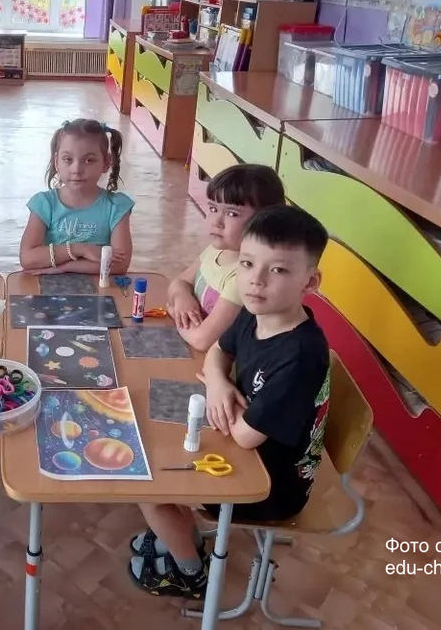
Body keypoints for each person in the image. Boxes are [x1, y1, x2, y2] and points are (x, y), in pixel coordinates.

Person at [128, 204, 331, 600]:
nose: (256, 281)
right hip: (246, 449)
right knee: (157, 447)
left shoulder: (299, 356)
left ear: (310, 281)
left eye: (278, 270)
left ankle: (189, 572)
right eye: (248, 263)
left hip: (269, 487)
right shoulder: (259, 310)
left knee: (145, 482)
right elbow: (218, 351)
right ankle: (183, 539)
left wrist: (218, 385)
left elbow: (244, 436)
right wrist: (219, 384)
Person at [167, 164, 285, 352]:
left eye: (232, 213)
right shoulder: (216, 251)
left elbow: (202, 340)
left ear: (265, 219)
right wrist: (182, 298)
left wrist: (175, 314)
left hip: (222, 364)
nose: (216, 221)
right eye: (213, 209)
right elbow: (180, 282)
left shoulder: (246, 276)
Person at [19, 118, 133, 275]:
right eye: (68, 159)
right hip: (49, 285)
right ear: (57, 162)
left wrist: (63, 268)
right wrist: (80, 249)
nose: (77, 169)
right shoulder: (44, 204)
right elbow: (27, 259)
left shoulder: (117, 206)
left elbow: (119, 266)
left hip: (99, 287)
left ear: (106, 162)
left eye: (89, 160)